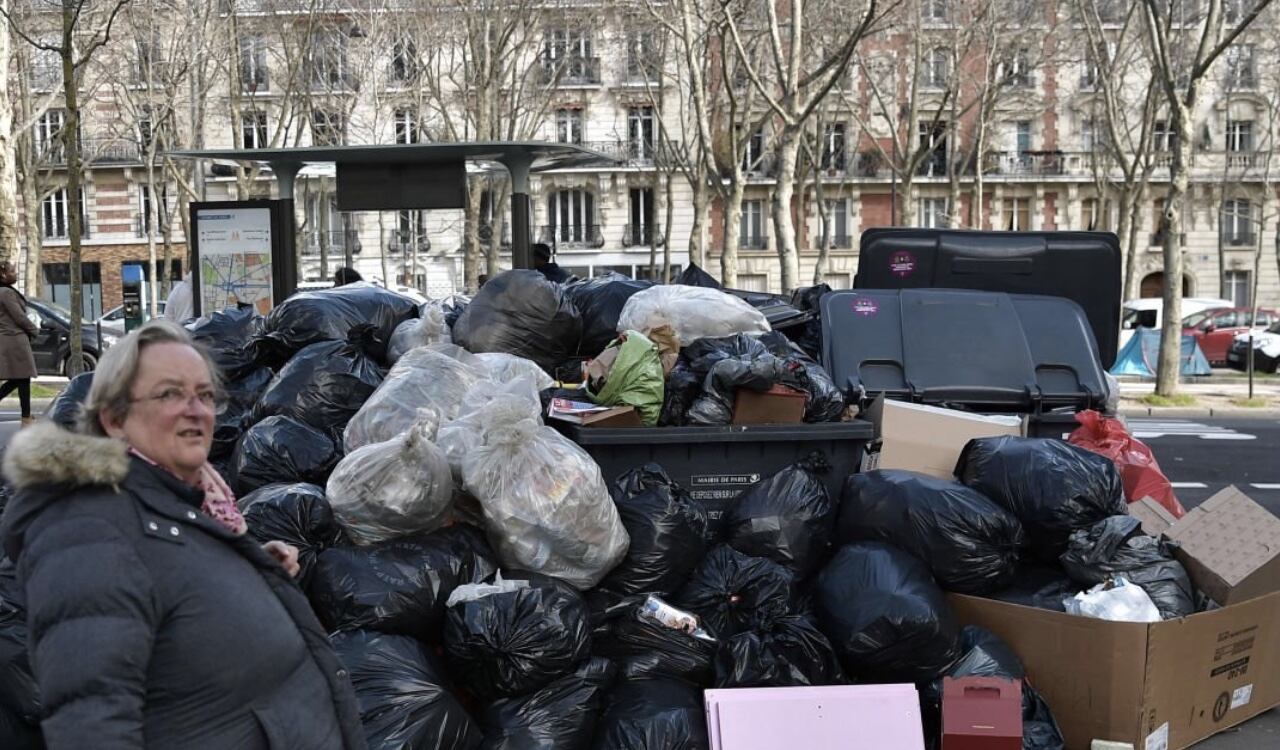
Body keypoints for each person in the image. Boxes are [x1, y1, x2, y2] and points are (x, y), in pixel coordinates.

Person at [0, 320, 366, 750]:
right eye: (169, 393)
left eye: (204, 395)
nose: (196, 410)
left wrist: (247, 573)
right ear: (114, 418)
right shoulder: (86, 532)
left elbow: (175, 590)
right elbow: (92, 719)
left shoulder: (187, 501)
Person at [0, 261, 38, 427]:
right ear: (3, 274)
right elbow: (19, 316)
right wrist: (34, 330)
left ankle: (26, 416)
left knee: (21, 378)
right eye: (13, 271)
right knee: (21, 377)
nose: (15, 274)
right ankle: (26, 417)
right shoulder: (6, 293)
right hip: (14, 340)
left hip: (12, 339)